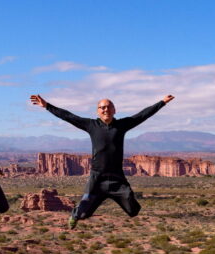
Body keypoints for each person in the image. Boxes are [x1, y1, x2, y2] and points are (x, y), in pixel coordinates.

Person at [30, 93, 174, 229]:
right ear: (98, 111)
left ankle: (110, 200)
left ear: (114, 110)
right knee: (83, 213)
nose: (106, 109)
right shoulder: (91, 125)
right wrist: (47, 106)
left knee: (133, 210)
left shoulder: (122, 125)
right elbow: (68, 116)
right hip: (97, 179)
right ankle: (75, 214)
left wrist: (162, 102)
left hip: (117, 178)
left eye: (108, 106)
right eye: (102, 107)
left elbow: (143, 115)